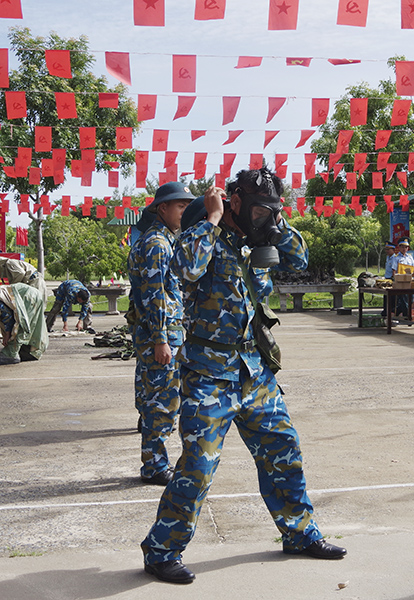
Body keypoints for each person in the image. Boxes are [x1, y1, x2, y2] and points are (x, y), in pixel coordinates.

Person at [141, 167, 346, 585]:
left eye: (269, 210)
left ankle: (300, 534)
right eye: (257, 210)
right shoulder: (204, 233)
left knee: (284, 451)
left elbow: (300, 259)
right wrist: (213, 218)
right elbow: (184, 268)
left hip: (254, 370)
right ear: (235, 203)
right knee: (198, 465)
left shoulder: (262, 237)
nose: (262, 218)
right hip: (208, 373)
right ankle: (161, 551)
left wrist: (275, 223)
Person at [128, 182, 195, 486]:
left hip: (158, 333)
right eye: (180, 206)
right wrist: (161, 339)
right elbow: (154, 295)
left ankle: (154, 461)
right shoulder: (157, 244)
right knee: (162, 402)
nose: (184, 212)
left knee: (152, 397)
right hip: (160, 334)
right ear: (162, 208)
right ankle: (154, 466)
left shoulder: (160, 239)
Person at [0, 283, 48, 365]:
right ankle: (28, 351)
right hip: (31, 294)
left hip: (27, 296)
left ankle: (11, 354)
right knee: (32, 326)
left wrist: (7, 334)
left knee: (21, 325)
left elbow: (7, 315)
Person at [392, 238, 414, 321]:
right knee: (404, 300)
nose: (404, 249)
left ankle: (396, 311)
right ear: (399, 248)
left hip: (410, 281)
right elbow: (394, 271)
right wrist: (396, 281)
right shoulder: (396, 258)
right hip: (401, 282)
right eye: (402, 247)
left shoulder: (410, 257)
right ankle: (407, 317)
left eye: (406, 247)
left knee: (411, 300)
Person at [380, 240, 396, 318]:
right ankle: (385, 311)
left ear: (393, 250)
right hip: (386, 279)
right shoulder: (388, 257)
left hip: (391, 279)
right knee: (385, 296)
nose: (387, 251)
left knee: (391, 298)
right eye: (386, 249)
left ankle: (391, 312)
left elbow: (394, 270)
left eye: (388, 249)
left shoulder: (394, 258)